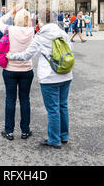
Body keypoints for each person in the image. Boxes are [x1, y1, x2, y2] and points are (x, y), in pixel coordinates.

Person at [6, 17, 73, 149]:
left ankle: (54, 139)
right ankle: (64, 135)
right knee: (63, 106)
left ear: (42, 21)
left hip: (49, 77)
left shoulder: (40, 36)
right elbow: (70, 50)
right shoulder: (63, 33)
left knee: (53, 109)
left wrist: (11, 56)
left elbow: (27, 55)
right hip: (66, 74)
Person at [0, 5, 35, 141]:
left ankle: (9, 131)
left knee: (10, 100)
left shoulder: (9, 29)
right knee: (25, 100)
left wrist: (11, 12)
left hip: (10, 69)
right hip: (26, 70)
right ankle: (25, 130)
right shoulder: (31, 31)